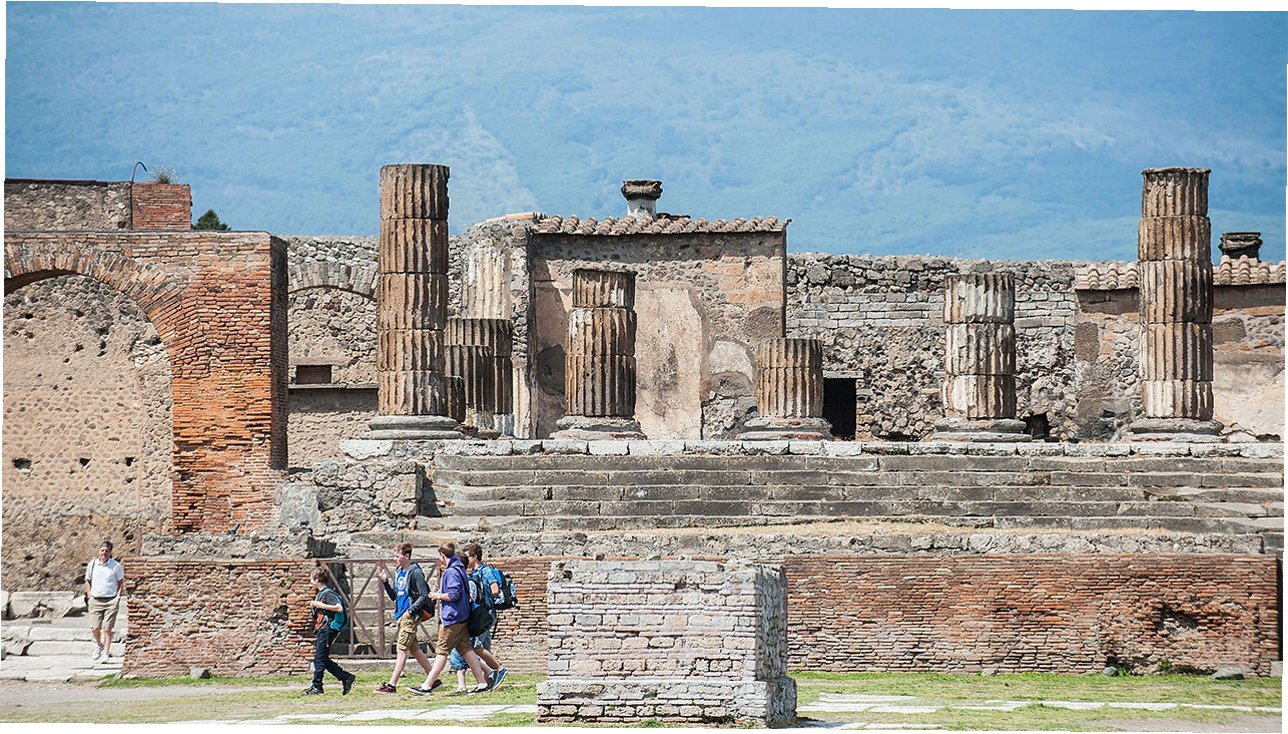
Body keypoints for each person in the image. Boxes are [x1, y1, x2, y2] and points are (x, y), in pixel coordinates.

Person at [409, 542, 489, 695]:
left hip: (453, 617)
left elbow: (454, 595)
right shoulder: (459, 569)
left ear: (442, 556)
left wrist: (437, 595)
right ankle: (482, 682)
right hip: (462, 616)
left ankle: (428, 685)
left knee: (442, 651)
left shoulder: (451, 572)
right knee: (466, 649)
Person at [447, 543, 508, 693]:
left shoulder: (485, 571)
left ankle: (499, 669)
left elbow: (495, 590)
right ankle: (488, 683)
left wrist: (481, 599)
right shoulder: (473, 573)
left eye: (468, 556)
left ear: (474, 557)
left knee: (475, 647)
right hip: (480, 615)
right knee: (482, 648)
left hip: (484, 614)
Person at [374, 542, 433, 693]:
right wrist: (385, 581)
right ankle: (434, 679)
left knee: (401, 650)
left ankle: (392, 685)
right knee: (415, 650)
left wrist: (411, 611)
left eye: (397, 556)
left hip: (410, 616)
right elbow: (394, 596)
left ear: (407, 556)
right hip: (400, 615)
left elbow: (424, 595)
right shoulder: (399, 571)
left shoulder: (415, 572)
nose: (395, 558)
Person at [302, 567, 357, 696]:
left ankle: (317, 686)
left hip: (327, 629)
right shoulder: (321, 593)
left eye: (311, 579)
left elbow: (339, 608)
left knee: (319, 659)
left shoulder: (327, 593)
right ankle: (345, 677)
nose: (310, 581)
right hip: (323, 629)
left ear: (317, 579)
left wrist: (319, 605)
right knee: (321, 659)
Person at [84, 540, 125, 662]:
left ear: (110, 552)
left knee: (107, 629)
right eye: (102, 550)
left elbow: (120, 582)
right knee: (95, 627)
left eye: (107, 551)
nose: (104, 553)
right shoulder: (92, 565)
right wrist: (89, 595)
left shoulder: (115, 566)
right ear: (99, 551)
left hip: (111, 600)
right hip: (95, 599)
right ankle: (98, 645)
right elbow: (88, 580)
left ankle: (106, 653)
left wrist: (118, 597)